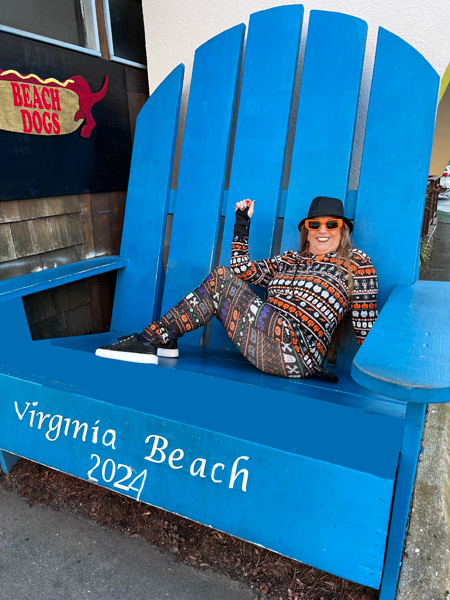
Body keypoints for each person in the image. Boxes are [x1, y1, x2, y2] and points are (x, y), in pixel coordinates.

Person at [95, 196, 378, 380]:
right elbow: (242, 270)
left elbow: (365, 324)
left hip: (299, 351)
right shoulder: (291, 260)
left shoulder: (357, 263)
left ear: (343, 230)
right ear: (306, 230)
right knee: (225, 277)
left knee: (221, 279)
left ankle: (151, 339)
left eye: (332, 224)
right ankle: (162, 338)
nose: (322, 230)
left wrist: (381, 378)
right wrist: (242, 223)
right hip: (266, 340)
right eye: (315, 224)